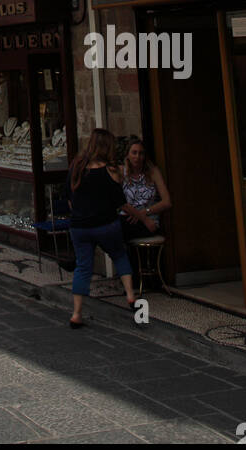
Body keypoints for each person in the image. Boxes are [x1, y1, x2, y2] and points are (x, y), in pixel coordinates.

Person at [65, 128, 136, 327]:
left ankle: (77, 313)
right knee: (119, 255)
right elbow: (120, 202)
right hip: (106, 224)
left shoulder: (77, 166)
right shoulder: (111, 171)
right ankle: (130, 295)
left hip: (79, 226)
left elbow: (69, 198)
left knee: (83, 267)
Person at [121, 137, 171, 241]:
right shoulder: (122, 172)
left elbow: (167, 202)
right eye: (134, 153)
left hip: (149, 219)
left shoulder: (153, 172)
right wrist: (136, 213)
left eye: (141, 153)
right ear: (128, 155)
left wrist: (143, 213)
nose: (137, 157)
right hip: (129, 217)